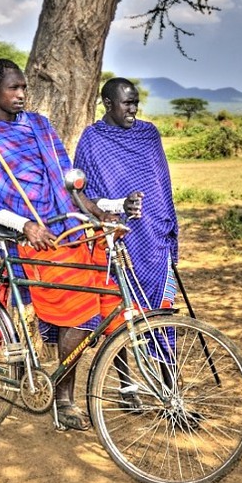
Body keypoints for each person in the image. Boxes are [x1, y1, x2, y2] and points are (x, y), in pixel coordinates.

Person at [0, 58, 130, 432]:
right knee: (78, 308)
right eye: (13, 88)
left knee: (106, 288)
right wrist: (25, 224)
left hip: (63, 226)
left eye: (24, 88)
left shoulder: (39, 126)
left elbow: (69, 181)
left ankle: (100, 383)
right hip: (20, 235)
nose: (21, 95)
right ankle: (63, 400)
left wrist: (97, 213)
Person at [73, 77, 180, 324]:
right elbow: (81, 193)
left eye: (136, 103)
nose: (133, 109)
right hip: (117, 239)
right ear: (108, 103)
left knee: (162, 313)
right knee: (118, 315)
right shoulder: (92, 139)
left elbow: (162, 185)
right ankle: (117, 363)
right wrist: (116, 205)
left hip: (154, 237)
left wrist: (168, 227)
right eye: (127, 103)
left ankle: (165, 363)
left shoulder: (148, 134)